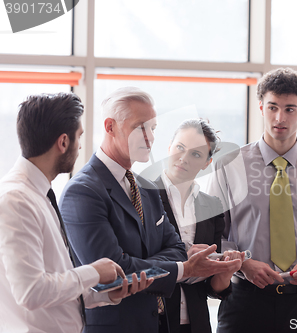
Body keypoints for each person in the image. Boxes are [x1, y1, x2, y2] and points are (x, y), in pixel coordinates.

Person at [59, 87, 242, 333]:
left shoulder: (143, 186)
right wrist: (181, 268)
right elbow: (114, 271)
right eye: (140, 127)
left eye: (153, 128)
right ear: (110, 127)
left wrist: (142, 264)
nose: (149, 138)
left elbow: (177, 249)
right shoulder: (82, 191)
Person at [0, 93, 153, 333]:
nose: (81, 145)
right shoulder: (17, 200)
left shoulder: (39, 194)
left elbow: (56, 282)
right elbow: (31, 292)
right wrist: (93, 272)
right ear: (63, 142)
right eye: (79, 136)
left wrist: (103, 293)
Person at [207, 67, 297, 333]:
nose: (280, 118)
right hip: (243, 301)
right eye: (272, 107)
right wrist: (242, 263)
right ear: (260, 108)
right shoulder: (229, 165)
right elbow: (212, 235)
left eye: (290, 109)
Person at [155, 119, 242, 333]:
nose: (183, 158)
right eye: (180, 148)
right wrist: (186, 259)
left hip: (197, 324)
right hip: (155, 320)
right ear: (169, 147)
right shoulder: (142, 196)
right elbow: (138, 260)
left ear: (207, 163)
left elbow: (213, 287)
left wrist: (225, 272)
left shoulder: (211, 206)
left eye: (195, 154)